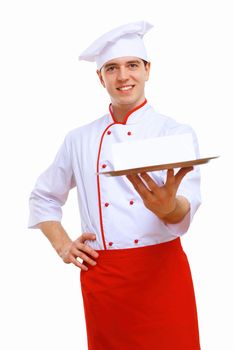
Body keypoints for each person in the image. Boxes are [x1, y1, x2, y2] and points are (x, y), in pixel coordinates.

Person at [28, 21, 201, 349]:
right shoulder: (79, 139)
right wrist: (63, 244)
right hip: (104, 278)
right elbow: (43, 197)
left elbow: (186, 203)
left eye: (132, 65)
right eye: (112, 68)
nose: (124, 77)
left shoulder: (175, 133)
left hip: (161, 271)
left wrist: (169, 208)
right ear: (100, 77)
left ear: (148, 71)